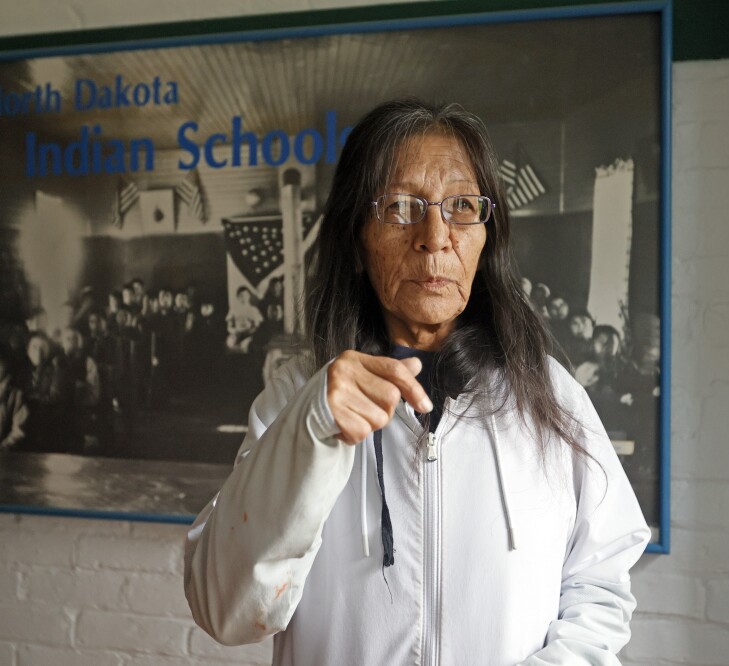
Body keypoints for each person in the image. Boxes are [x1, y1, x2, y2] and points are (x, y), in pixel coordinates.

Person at [184, 99, 649, 665]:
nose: (434, 236)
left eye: (460, 206)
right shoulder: (297, 395)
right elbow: (224, 610)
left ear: (486, 236)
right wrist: (308, 434)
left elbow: (599, 585)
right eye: (401, 207)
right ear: (357, 240)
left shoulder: (546, 394)